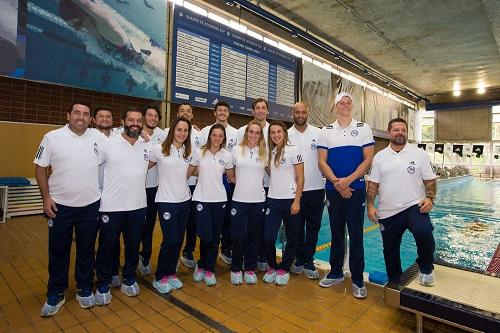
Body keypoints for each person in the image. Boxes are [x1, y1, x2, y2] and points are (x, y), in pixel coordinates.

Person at [35, 103, 103, 316]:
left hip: (90, 205)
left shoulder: (98, 137)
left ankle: (84, 288)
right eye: (77, 113)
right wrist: (46, 198)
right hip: (60, 206)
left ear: (91, 118)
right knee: (58, 250)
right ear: (68, 115)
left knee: (86, 249)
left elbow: (123, 142)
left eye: (85, 114)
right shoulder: (52, 137)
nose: (81, 117)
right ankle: (56, 292)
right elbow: (40, 168)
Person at [317, 92, 374, 299]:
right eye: (341, 102)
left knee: (356, 235)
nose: (345, 105)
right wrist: (337, 183)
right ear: (336, 106)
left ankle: (358, 279)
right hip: (334, 190)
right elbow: (322, 161)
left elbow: (368, 159)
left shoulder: (363, 129)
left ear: (352, 106)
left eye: (348, 102)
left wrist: (347, 181)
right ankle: (335, 273)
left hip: (356, 189)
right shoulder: (326, 131)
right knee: (336, 233)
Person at [367, 118, 437, 286]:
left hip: (414, 206)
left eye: (403, 130)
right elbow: (373, 184)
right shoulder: (380, 157)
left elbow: (430, 181)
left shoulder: (419, 154)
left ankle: (426, 268)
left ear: (407, 133)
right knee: (390, 250)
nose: (400, 132)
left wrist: (430, 198)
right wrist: (370, 205)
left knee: (424, 231)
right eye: (396, 130)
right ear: (389, 133)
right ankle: (395, 280)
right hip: (388, 211)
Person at [94, 107, 151, 305]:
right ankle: (102, 282)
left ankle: (129, 277)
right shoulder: (109, 144)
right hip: (111, 206)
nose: (135, 123)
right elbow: (91, 165)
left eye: (138, 120)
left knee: (133, 245)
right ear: (122, 121)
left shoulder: (146, 145)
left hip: (137, 206)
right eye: (131, 120)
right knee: (107, 246)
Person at [149, 117, 192, 293]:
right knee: (170, 240)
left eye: (185, 130)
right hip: (166, 201)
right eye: (179, 129)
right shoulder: (158, 150)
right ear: (172, 130)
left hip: (184, 200)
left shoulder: (188, 151)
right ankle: (160, 277)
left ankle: (171, 273)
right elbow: (143, 167)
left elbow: (191, 171)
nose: (182, 133)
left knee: (178, 240)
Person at [188, 124, 234, 286]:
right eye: (214, 135)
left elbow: (232, 177)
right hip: (201, 198)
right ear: (209, 136)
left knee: (215, 237)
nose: (217, 138)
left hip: (220, 200)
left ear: (223, 138)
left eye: (220, 136)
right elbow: (190, 171)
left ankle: (208, 268)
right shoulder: (199, 152)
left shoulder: (227, 156)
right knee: (205, 235)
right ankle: (202, 263)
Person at [263, 121, 304, 286]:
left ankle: (285, 267)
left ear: (284, 133)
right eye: (273, 133)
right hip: (273, 199)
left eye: (279, 132)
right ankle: (272, 266)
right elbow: (272, 172)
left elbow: (301, 177)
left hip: (290, 200)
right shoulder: (270, 152)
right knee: (268, 237)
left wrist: (297, 201)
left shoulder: (294, 150)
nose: (276, 135)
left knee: (291, 237)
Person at [288, 102, 325, 280]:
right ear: (292, 113)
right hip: (295, 191)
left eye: (303, 112)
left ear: (307, 113)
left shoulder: (318, 133)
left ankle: (309, 260)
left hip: (316, 189)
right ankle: (299, 259)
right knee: (296, 229)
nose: (300, 115)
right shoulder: (286, 134)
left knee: (313, 228)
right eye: (297, 112)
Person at [228, 121, 267, 285]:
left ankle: (250, 268)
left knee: (253, 236)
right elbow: (230, 175)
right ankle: (236, 268)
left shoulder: (265, 152)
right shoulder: (236, 150)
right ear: (246, 133)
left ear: (260, 135)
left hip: (258, 201)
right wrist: (243, 185)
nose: (253, 135)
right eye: (251, 132)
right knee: (238, 236)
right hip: (239, 200)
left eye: (257, 133)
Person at [201, 101, 238, 265]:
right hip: (209, 180)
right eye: (219, 110)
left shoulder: (236, 133)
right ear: (214, 113)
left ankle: (225, 248)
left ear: (228, 113)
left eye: (225, 110)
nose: (222, 113)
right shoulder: (203, 131)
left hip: (228, 180)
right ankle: (202, 256)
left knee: (227, 219)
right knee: (207, 224)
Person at [237, 98, 270, 271]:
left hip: (266, 186)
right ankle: (240, 259)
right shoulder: (241, 131)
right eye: (257, 108)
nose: (260, 110)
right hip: (243, 189)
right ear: (253, 111)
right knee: (241, 230)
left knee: (260, 228)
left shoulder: (274, 130)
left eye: (263, 108)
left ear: (267, 111)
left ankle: (260, 257)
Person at [91, 106, 123, 288]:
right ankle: (91, 274)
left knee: (112, 237)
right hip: (91, 195)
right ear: (94, 120)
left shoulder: (119, 137)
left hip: (113, 195)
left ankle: (112, 271)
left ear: (114, 120)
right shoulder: (88, 137)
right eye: (101, 116)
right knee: (89, 239)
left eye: (108, 116)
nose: (104, 119)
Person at [174, 103, 205, 268]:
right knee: (178, 225)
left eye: (188, 111)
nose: (185, 114)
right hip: (175, 187)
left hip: (194, 185)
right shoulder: (168, 134)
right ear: (177, 114)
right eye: (182, 111)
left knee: (192, 222)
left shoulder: (199, 135)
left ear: (192, 115)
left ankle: (188, 251)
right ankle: (174, 255)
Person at [138, 104, 166, 275]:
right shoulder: (132, 132)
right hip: (133, 188)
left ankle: (145, 257)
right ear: (144, 117)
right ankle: (131, 257)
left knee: (148, 226)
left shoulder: (162, 135)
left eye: (156, 116)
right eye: (150, 115)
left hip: (152, 188)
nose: (153, 118)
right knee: (133, 226)